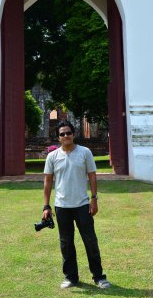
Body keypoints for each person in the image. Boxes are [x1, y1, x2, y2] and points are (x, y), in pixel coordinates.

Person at [42, 120, 110, 289]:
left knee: (90, 241)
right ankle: (71, 277)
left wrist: (94, 198)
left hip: (82, 205)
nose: (66, 136)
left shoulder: (84, 152)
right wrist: (46, 206)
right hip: (62, 205)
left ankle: (99, 276)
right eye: (62, 134)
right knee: (66, 243)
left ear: (73, 134)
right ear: (58, 137)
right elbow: (48, 182)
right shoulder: (53, 156)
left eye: (68, 133)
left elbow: (92, 176)